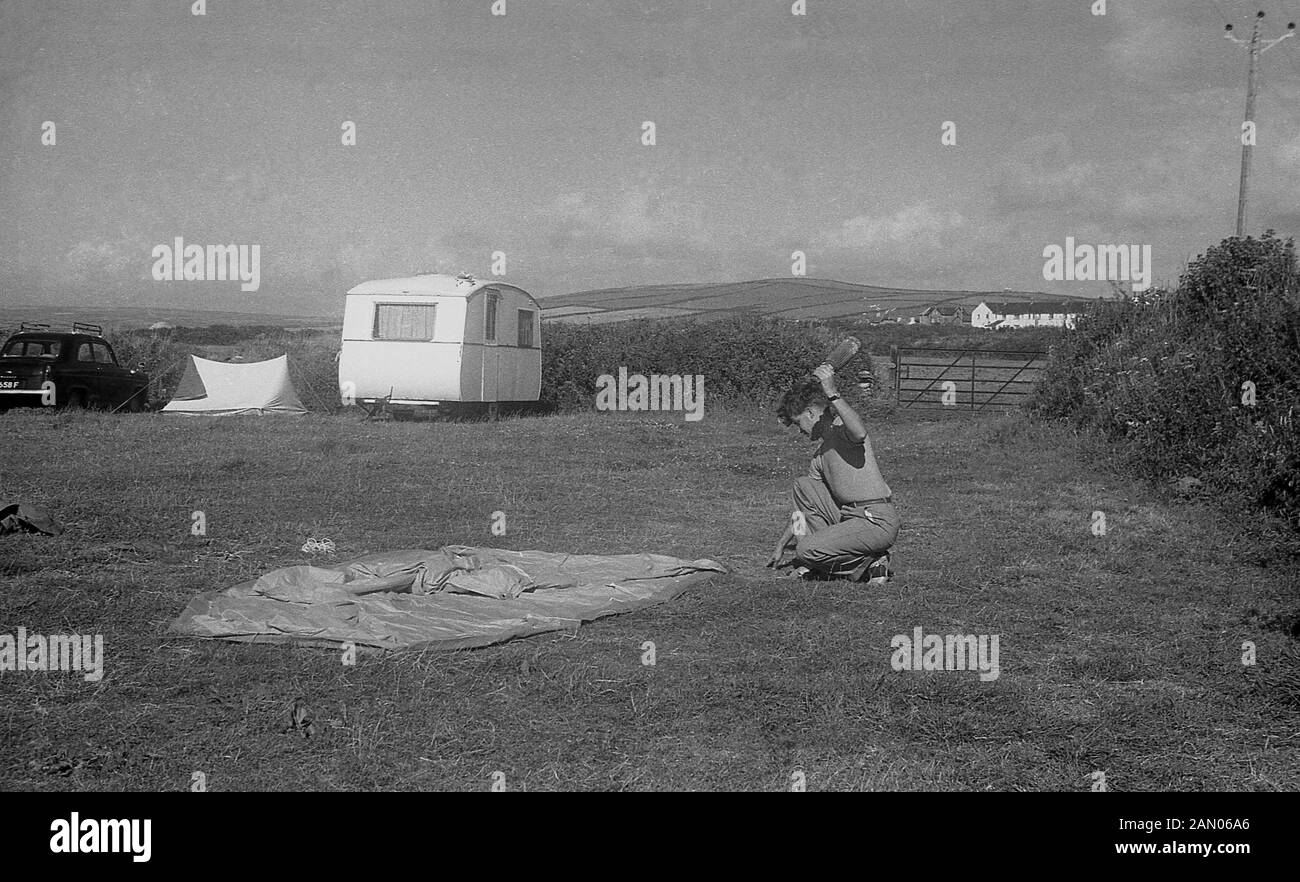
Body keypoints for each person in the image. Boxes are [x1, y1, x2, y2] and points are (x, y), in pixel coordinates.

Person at [767, 363, 899, 583]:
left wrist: (831, 391)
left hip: (875, 519)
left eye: (799, 423)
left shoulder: (842, 429)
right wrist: (782, 544)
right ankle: (821, 562)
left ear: (810, 413)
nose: (799, 431)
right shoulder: (819, 456)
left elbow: (859, 431)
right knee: (802, 486)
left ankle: (871, 563)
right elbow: (802, 510)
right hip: (849, 517)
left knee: (807, 550)